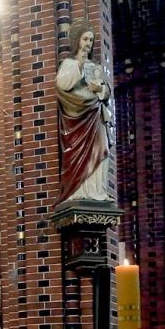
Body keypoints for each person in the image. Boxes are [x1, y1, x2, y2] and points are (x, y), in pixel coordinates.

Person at [55, 20, 114, 206]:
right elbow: (61, 85)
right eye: (85, 39)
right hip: (76, 119)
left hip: (95, 115)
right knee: (77, 153)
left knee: (101, 148)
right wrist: (79, 66)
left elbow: (106, 92)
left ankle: (98, 191)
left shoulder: (95, 67)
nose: (88, 43)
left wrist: (100, 89)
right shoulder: (69, 64)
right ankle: (78, 190)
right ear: (77, 41)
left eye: (91, 40)